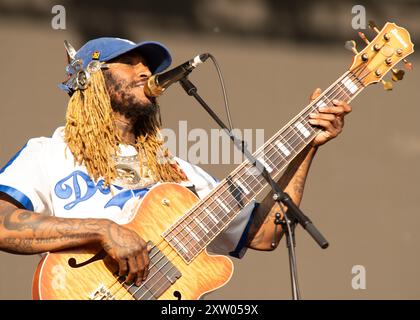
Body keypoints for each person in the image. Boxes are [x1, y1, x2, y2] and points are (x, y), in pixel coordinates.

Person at [0, 37, 351, 295]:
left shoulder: (178, 173)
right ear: (91, 78)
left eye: (148, 66)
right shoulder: (49, 153)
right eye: (131, 62)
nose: (146, 72)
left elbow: (264, 235)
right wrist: (103, 229)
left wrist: (307, 145)